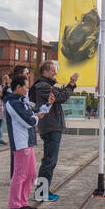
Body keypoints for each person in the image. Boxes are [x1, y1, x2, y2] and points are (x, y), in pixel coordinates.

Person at [30, 62, 77, 200]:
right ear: (44, 71)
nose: (54, 73)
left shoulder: (45, 85)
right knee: (49, 161)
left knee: (50, 160)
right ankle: (41, 192)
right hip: (50, 127)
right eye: (52, 70)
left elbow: (59, 95)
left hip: (51, 126)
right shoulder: (43, 86)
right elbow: (61, 97)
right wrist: (71, 84)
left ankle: (44, 190)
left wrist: (68, 86)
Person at [5, 74, 48, 209]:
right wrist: (36, 118)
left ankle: (23, 202)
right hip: (20, 142)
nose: (27, 90)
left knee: (31, 174)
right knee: (20, 174)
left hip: (27, 141)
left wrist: (47, 106)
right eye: (25, 87)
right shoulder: (12, 102)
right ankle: (15, 204)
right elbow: (27, 121)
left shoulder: (21, 101)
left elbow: (32, 115)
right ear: (18, 87)